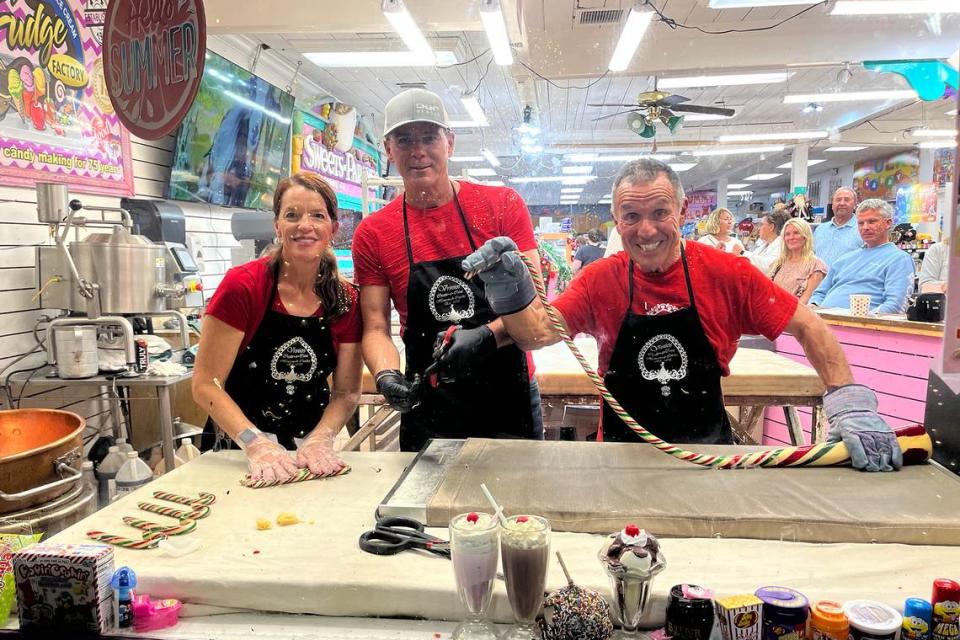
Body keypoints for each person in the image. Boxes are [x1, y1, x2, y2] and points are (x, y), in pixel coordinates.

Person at [458, 158, 902, 471]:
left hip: (707, 458)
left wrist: (849, 402)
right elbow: (536, 333)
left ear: (683, 212)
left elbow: (809, 326)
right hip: (618, 457)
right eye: (631, 216)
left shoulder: (728, 273)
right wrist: (510, 289)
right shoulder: (600, 280)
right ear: (616, 218)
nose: (646, 230)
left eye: (659, 213)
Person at [352, 88, 543, 452]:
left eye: (429, 137)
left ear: (450, 143)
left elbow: (535, 305)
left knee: (517, 505)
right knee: (426, 507)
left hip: (507, 393)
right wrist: (386, 375)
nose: (417, 150)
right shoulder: (374, 233)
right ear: (389, 150)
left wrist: (488, 335)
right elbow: (376, 326)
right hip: (431, 398)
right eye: (404, 139)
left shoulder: (501, 206)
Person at [193, 172, 363, 482]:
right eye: (292, 215)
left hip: (309, 453)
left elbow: (347, 392)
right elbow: (206, 384)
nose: (304, 226)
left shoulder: (345, 299)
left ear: (333, 229)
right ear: (277, 226)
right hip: (238, 448)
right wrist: (255, 444)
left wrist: (320, 439)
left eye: (317, 216)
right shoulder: (243, 287)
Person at [809, 199, 915, 314]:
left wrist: (860, 321)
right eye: (861, 223)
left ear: (888, 223)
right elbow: (819, 294)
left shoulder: (899, 259)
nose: (865, 227)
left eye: (872, 221)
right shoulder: (845, 259)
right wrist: (813, 307)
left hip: (861, 326)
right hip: (822, 322)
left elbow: (895, 305)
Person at [770, 218, 829, 305]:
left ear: (805, 236)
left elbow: (806, 300)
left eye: (796, 233)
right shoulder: (777, 263)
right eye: (787, 234)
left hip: (795, 315)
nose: (791, 237)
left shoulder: (816, 266)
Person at [814, 187, 861, 268]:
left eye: (846, 200)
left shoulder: (862, 230)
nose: (842, 203)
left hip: (847, 280)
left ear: (855, 205)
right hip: (819, 279)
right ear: (832, 205)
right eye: (838, 200)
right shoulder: (820, 229)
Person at [745, 210, 789, 275]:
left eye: (761, 224)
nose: (758, 228)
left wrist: (742, 252)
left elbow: (769, 267)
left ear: (771, 227)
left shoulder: (781, 246)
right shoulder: (765, 245)